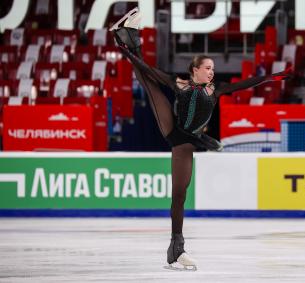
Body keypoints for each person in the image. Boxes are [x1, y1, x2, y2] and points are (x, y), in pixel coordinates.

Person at [110, 8, 292, 271]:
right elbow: (149, 70)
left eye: (213, 68)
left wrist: (271, 77)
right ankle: (125, 37)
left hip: (187, 143)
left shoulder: (214, 90)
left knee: (180, 195)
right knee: (148, 81)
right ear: (195, 69)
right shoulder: (180, 84)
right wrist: (126, 52)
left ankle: (176, 249)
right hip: (174, 133)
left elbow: (245, 83)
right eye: (207, 68)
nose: (212, 72)